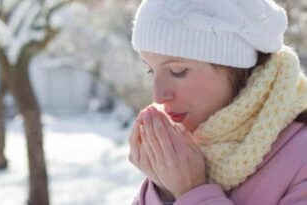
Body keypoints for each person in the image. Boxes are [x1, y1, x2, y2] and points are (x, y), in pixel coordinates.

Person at [128, 0, 307, 204]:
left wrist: (192, 191)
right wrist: (164, 191)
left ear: (234, 67)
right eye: (151, 70)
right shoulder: (189, 151)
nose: (158, 96)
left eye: (178, 72)